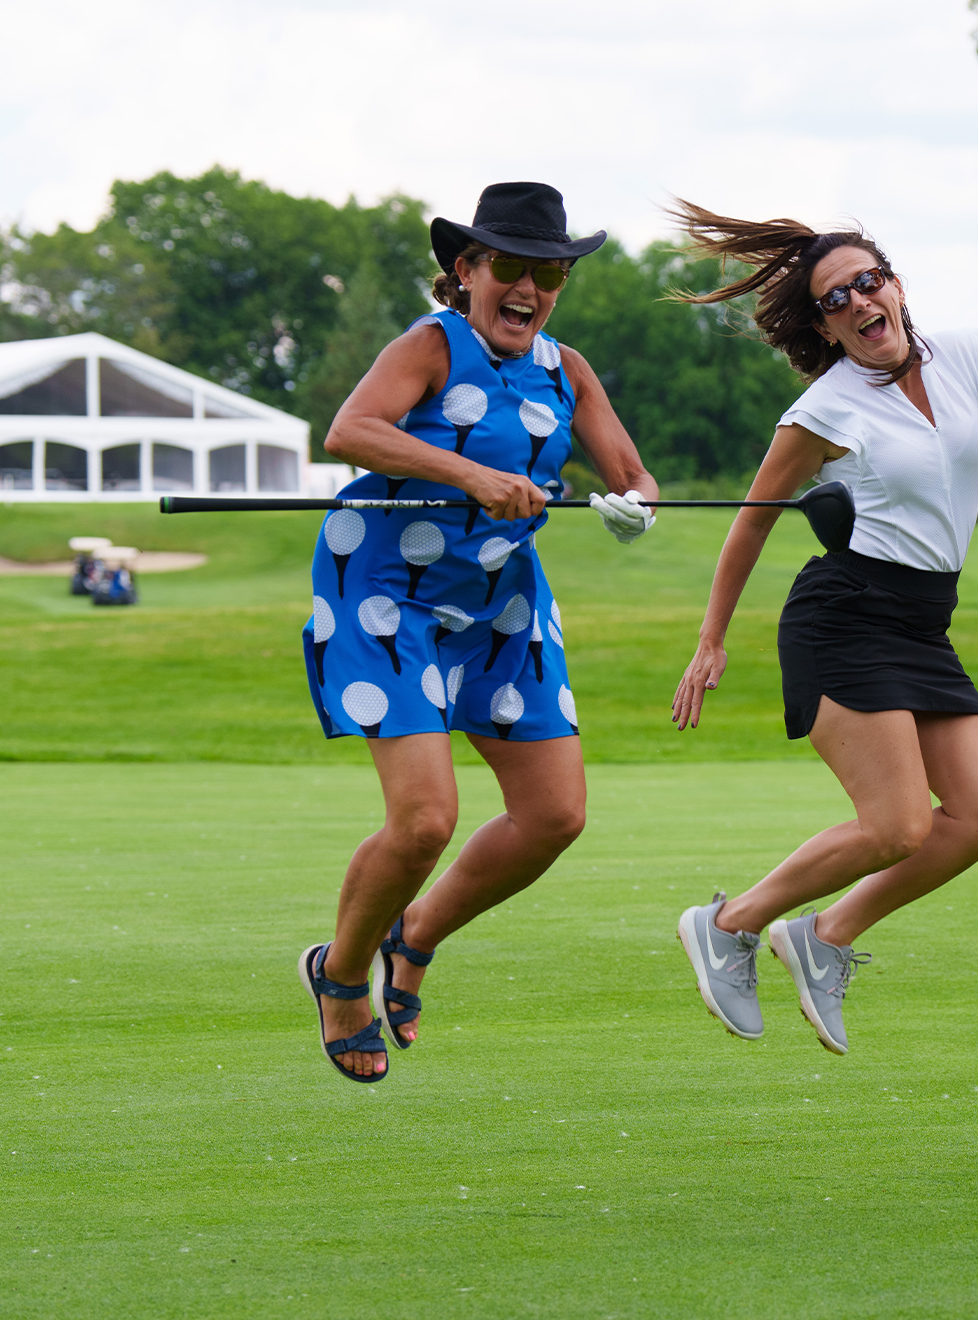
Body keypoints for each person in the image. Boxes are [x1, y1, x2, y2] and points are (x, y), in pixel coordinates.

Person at [666, 201, 978, 1055]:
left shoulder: (967, 356)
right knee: (897, 825)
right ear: (828, 329)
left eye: (870, 282)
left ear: (898, 285)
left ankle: (823, 935)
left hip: (922, 622)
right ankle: (730, 923)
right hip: (845, 616)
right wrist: (712, 637)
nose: (861, 303)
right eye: (838, 301)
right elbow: (753, 519)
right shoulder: (824, 410)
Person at [298, 182, 662, 1082]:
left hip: (503, 602)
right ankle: (340, 973)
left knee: (554, 816)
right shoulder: (429, 345)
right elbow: (352, 429)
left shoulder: (566, 369)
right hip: (385, 590)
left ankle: (413, 935)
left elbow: (632, 473)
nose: (530, 288)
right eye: (510, 267)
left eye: (550, 273)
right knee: (424, 821)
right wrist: (469, 475)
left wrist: (634, 509)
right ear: (466, 271)